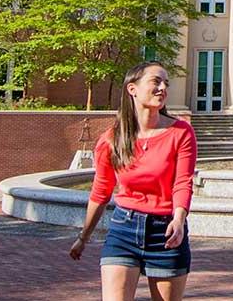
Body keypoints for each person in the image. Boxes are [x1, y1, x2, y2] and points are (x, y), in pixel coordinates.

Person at [69, 61, 199, 301]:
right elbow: (100, 191)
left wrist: (179, 220)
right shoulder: (111, 140)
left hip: (166, 232)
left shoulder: (181, 132)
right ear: (132, 89)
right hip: (123, 229)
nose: (162, 88)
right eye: (156, 81)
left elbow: (183, 182)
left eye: (165, 83)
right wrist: (83, 237)